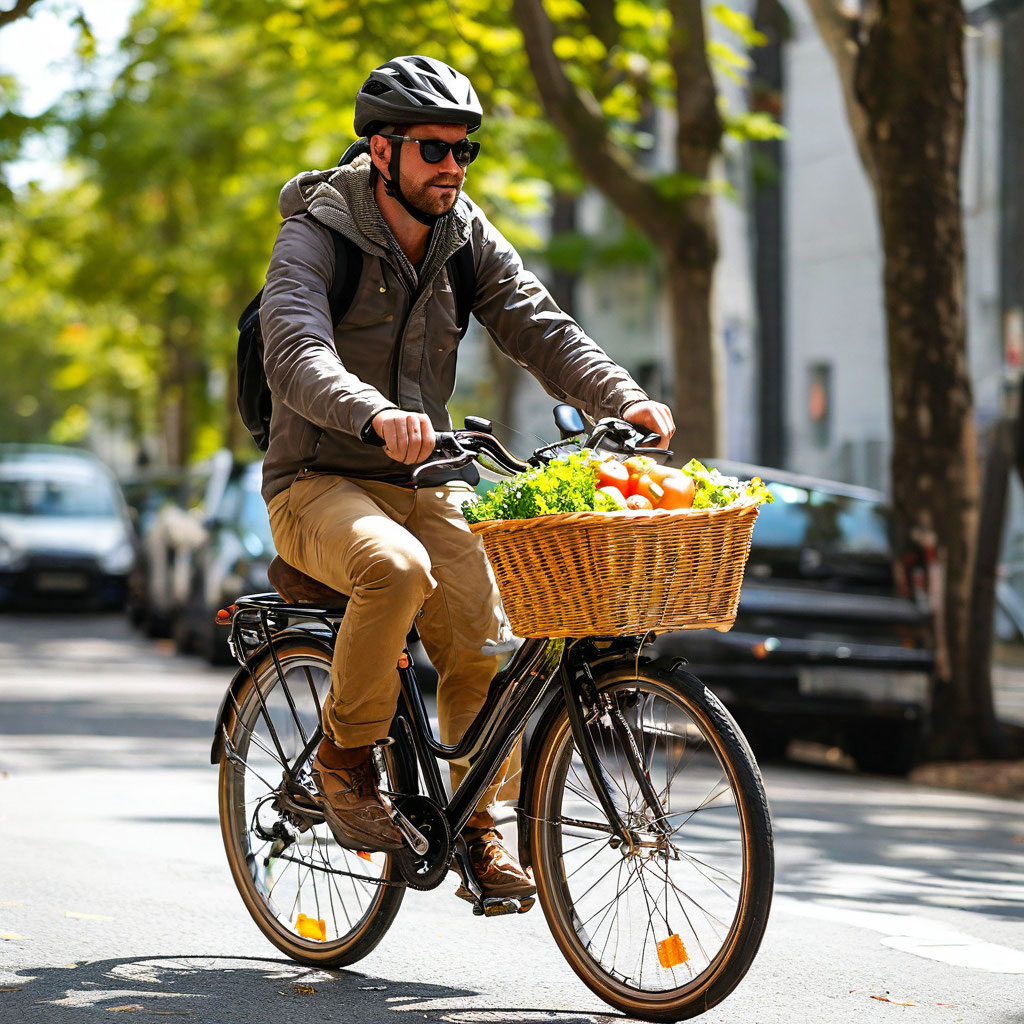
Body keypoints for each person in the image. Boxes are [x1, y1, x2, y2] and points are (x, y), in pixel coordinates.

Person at [259, 55, 675, 904]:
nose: (452, 165)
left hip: (429, 475)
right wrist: (373, 412)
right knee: (396, 570)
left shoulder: (463, 233)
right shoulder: (315, 231)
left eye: (464, 150)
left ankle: (478, 828)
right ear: (381, 151)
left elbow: (539, 326)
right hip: (316, 478)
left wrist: (625, 398)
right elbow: (295, 351)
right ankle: (342, 761)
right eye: (433, 149)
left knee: (487, 630)